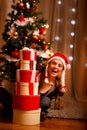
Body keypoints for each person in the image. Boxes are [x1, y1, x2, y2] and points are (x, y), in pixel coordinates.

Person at [38, 52, 71, 121]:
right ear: (49, 64)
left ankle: (40, 112)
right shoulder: (40, 71)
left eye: (59, 66)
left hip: (40, 103)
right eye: (54, 63)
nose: (56, 67)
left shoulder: (57, 85)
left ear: (62, 70)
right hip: (29, 97)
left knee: (46, 101)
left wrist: (62, 91)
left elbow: (58, 97)